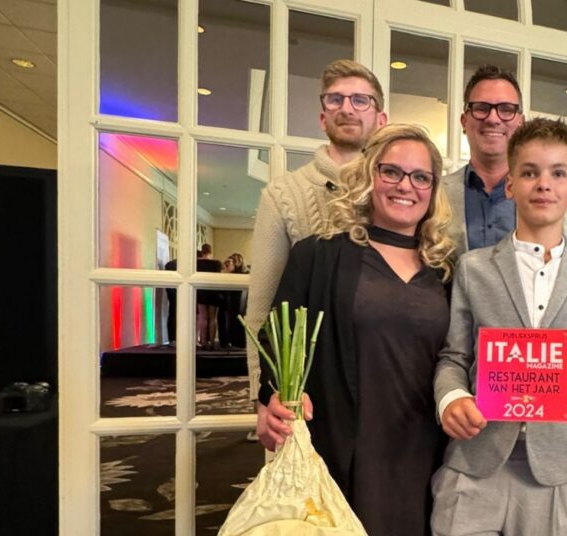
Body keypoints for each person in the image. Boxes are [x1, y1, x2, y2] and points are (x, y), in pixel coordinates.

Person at [431, 118, 567, 535]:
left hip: (554, 474)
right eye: (529, 173)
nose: (544, 185)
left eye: (558, 173)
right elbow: (454, 357)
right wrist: (451, 398)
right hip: (475, 461)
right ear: (510, 185)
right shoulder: (473, 269)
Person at [257, 124, 454, 536]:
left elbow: (459, 356)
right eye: (392, 172)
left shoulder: (447, 270)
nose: (406, 186)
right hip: (345, 447)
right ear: (369, 175)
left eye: (421, 177)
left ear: (433, 189)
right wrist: (270, 399)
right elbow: (277, 339)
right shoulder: (317, 255)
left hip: (424, 448)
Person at [245, 59, 387, 404]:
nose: (347, 109)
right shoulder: (282, 195)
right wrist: (261, 395)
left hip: (382, 372)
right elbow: (261, 309)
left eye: (360, 100)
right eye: (336, 99)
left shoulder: (397, 194)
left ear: (381, 119)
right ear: (323, 117)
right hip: (308, 381)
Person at [442, 65, 567, 255]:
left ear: (520, 122)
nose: (493, 119)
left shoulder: (553, 197)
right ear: (464, 121)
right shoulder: (436, 195)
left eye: (506, 110)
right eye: (481, 108)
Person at [196, 244, 223, 349]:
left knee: (203, 317)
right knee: (213, 318)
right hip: (214, 291)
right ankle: (211, 342)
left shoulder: (197, 263)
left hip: (202, 291)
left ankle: (203, 342)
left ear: (202, 251)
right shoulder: (217, 263)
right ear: (210, 251)